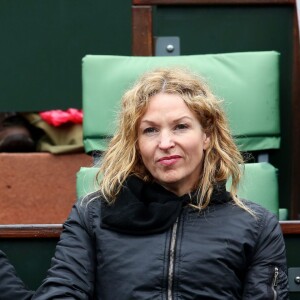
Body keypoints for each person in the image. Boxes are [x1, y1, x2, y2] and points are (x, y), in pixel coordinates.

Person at [1, 67, 288, 299]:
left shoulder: (257, 224)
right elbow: (64, 292)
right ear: (136, 143)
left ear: (207, 136)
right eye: (150, 130)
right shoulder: (93, 213)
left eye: (181, 126)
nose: (165, 143)